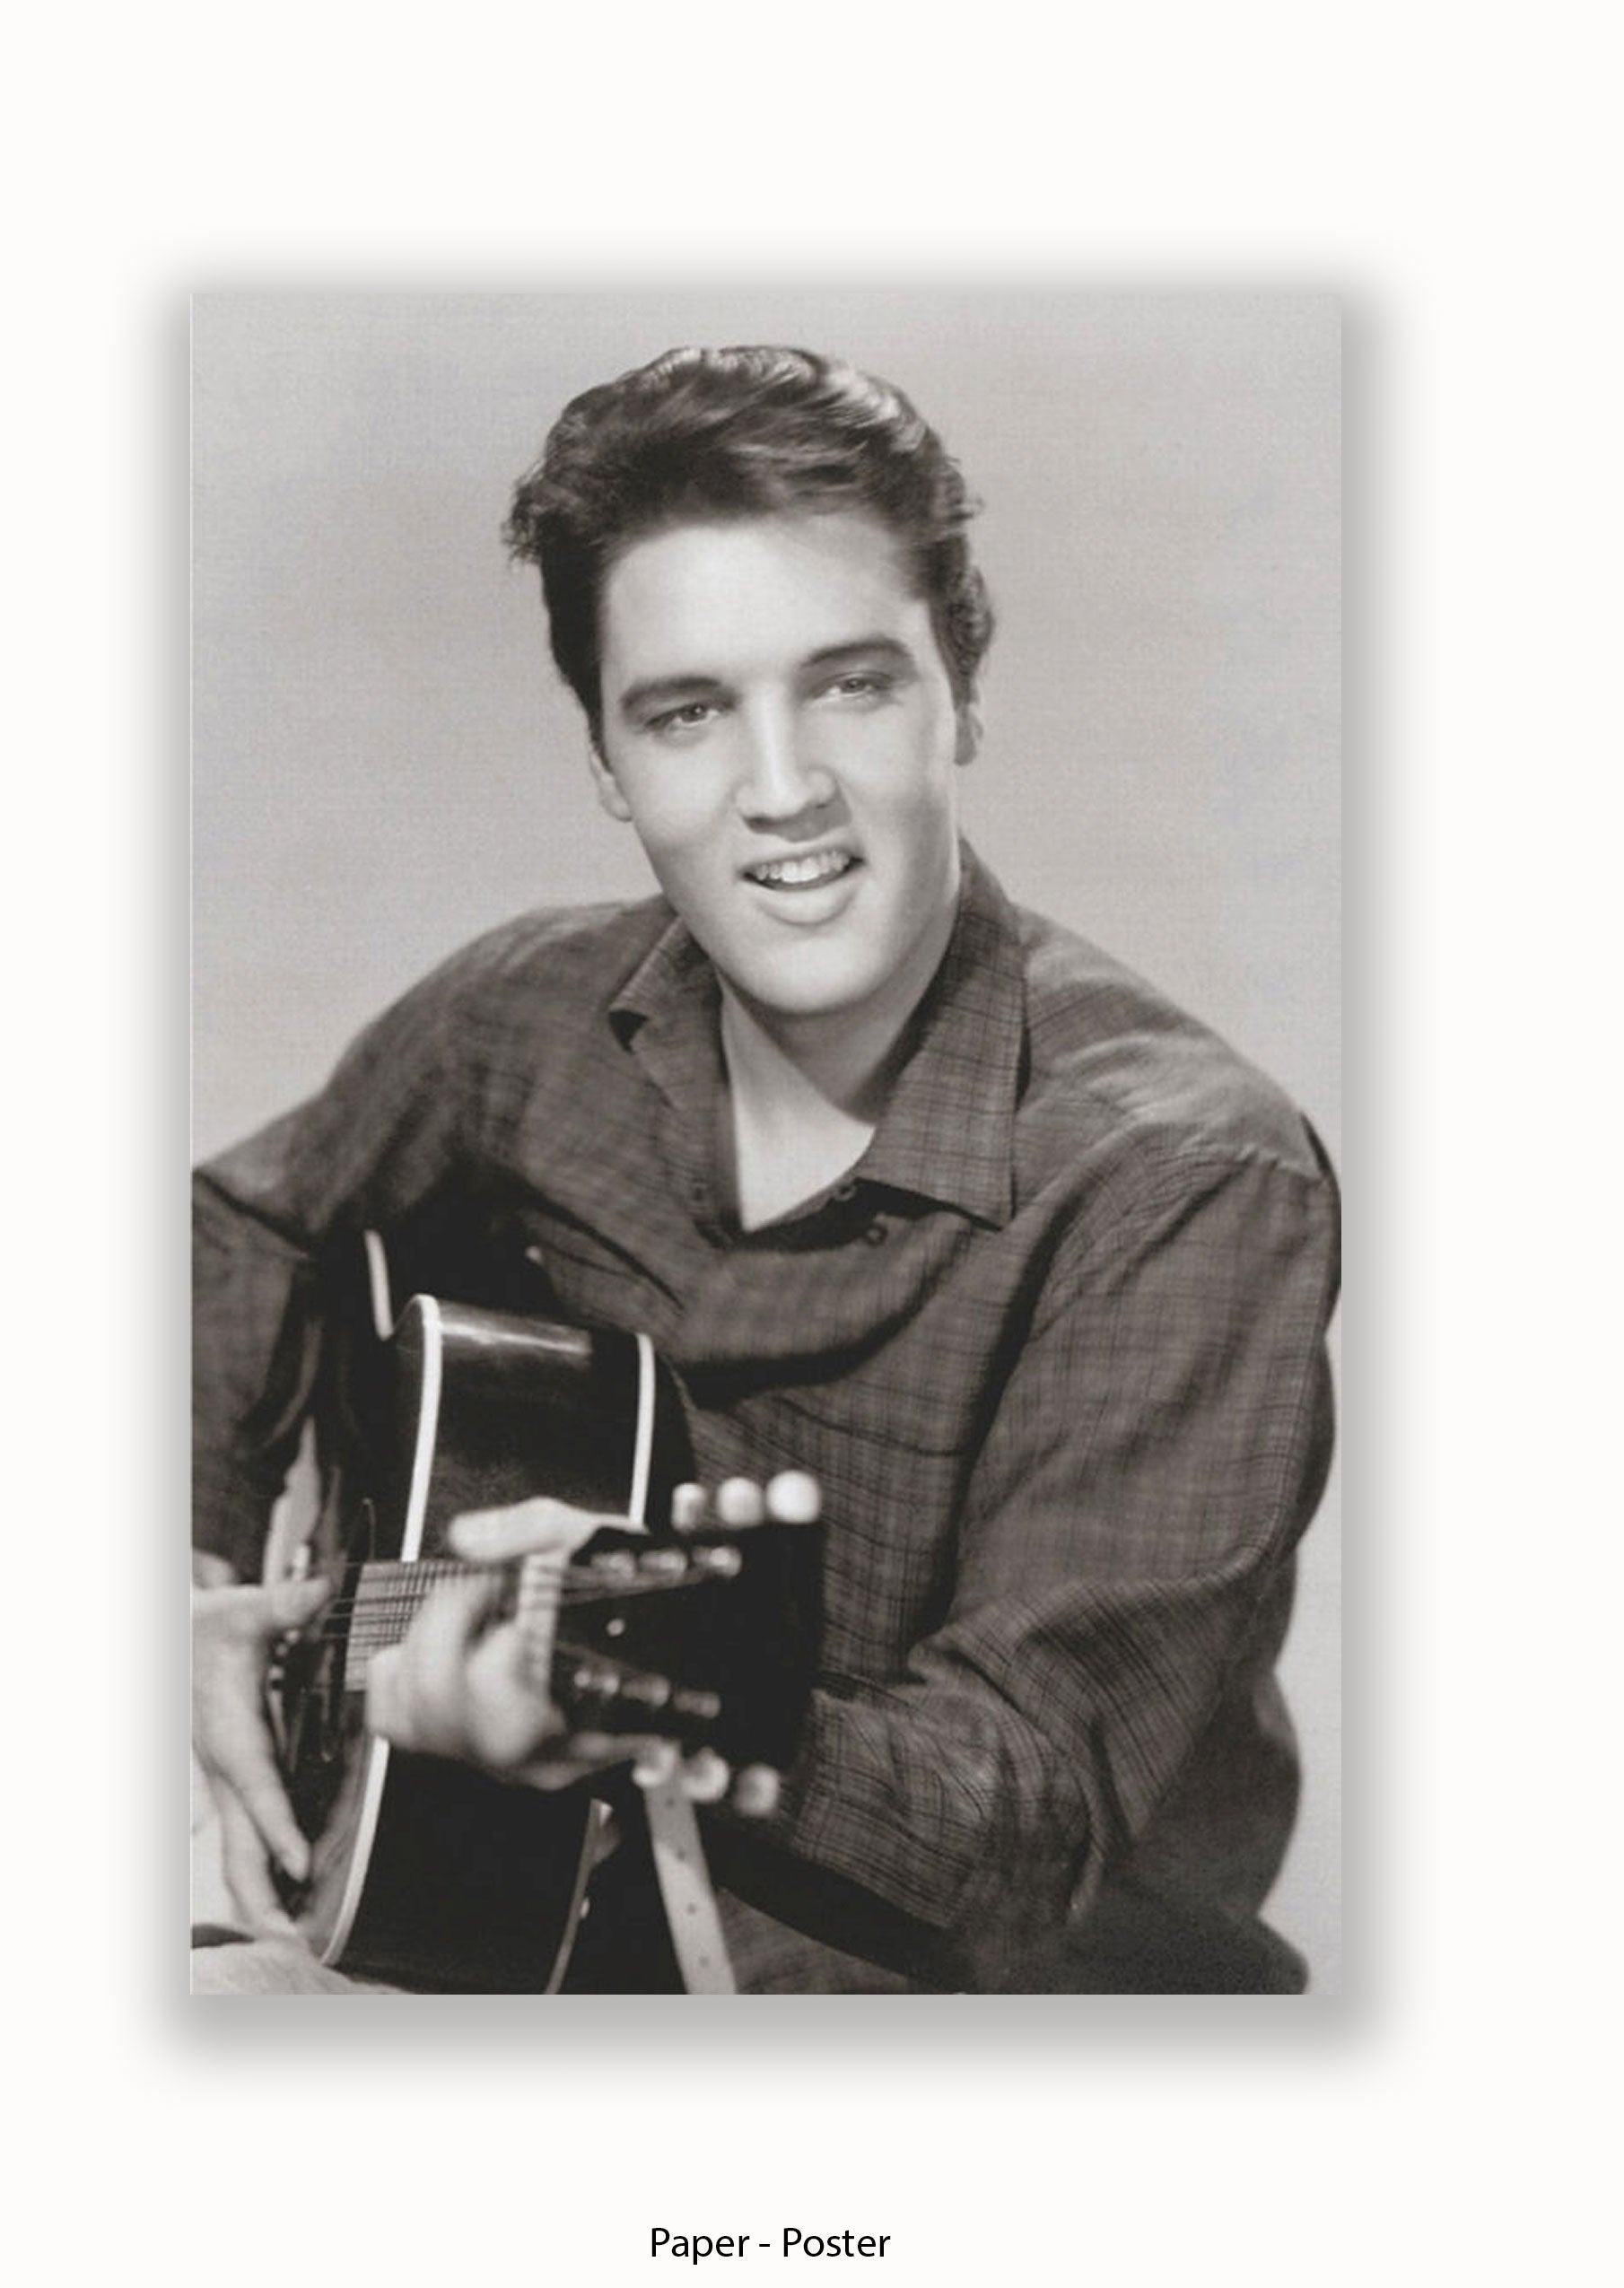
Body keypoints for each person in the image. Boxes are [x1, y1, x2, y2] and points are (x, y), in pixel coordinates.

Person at [191, 344, 1339, 1995]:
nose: (784, 790)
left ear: (961, 689)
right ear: (607, 761)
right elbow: (237, 1227)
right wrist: (202, 1588)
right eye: (687, 713)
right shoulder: (527, 1019)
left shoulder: (1181, 1180)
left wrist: (612, 1674)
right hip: (543, 1942)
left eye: (851, 685)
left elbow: (1018, 1819)